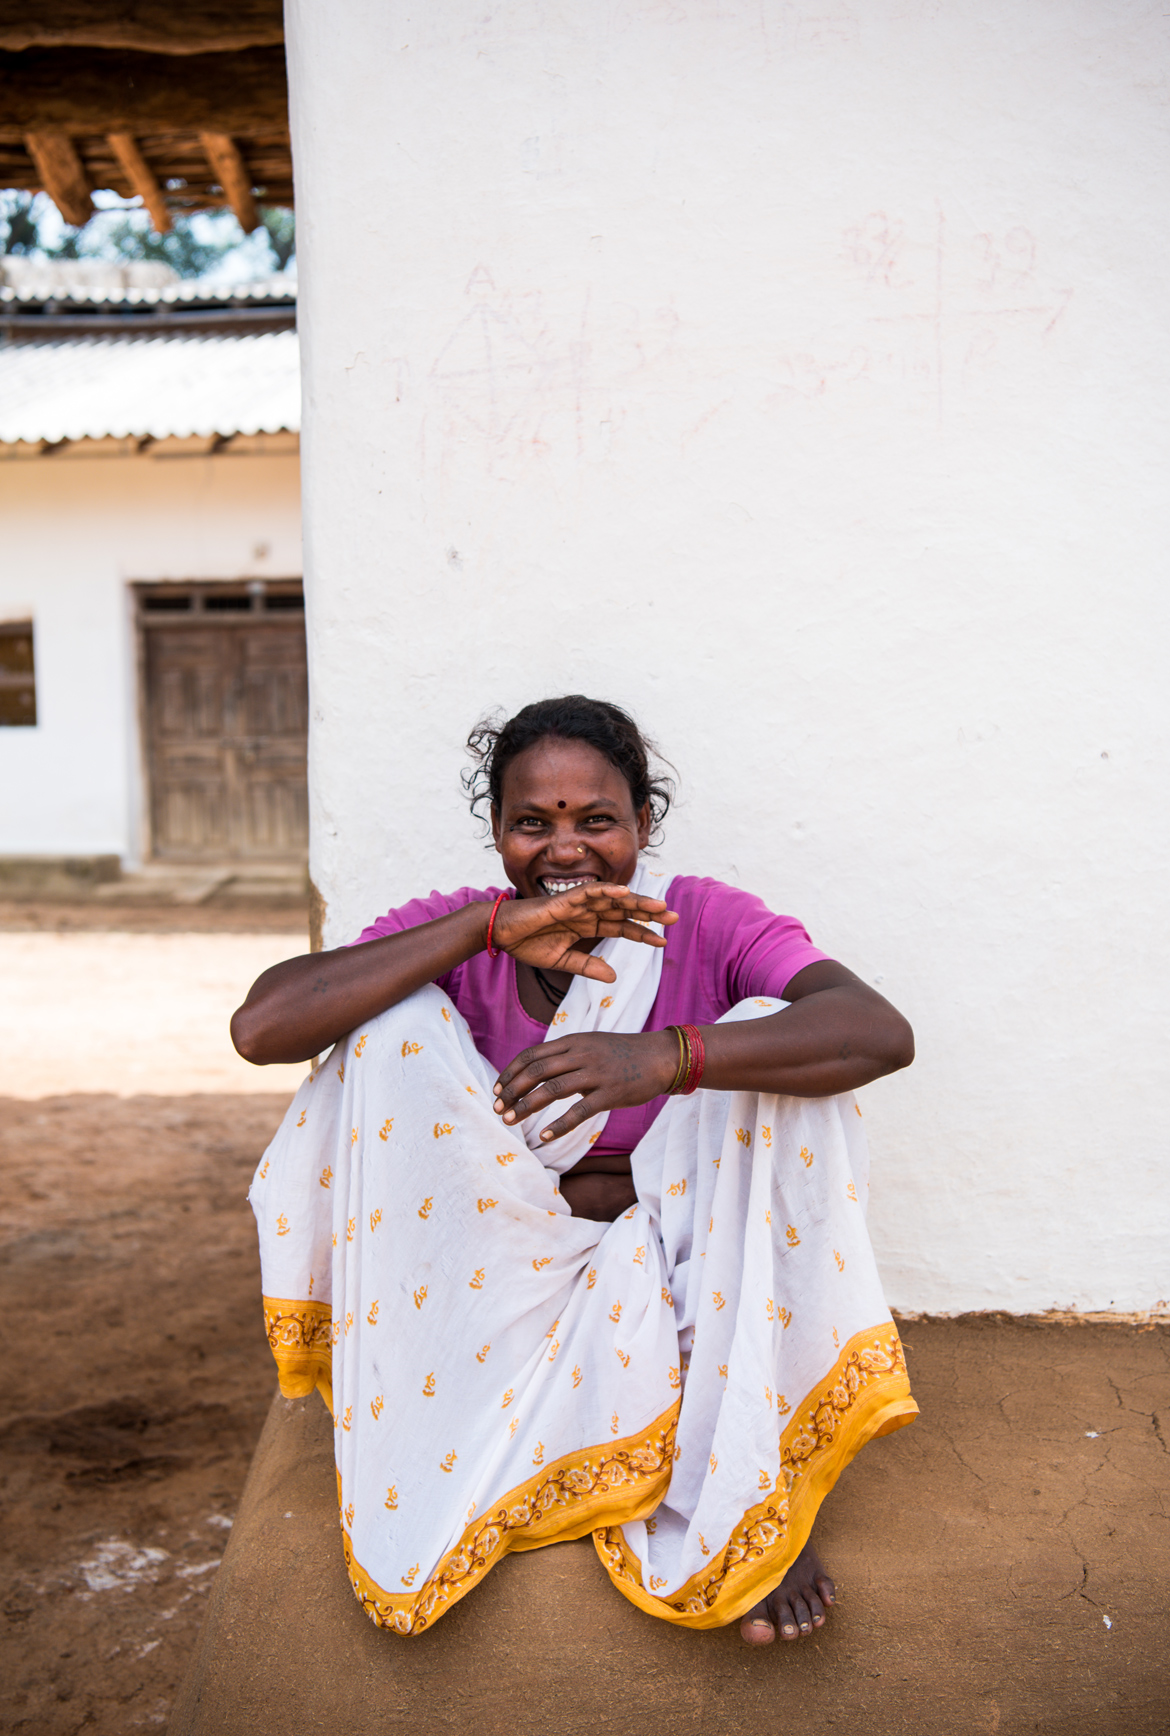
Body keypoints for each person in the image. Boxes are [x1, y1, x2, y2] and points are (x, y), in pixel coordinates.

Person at [231, 695, 917, 1642]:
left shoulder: (706, 925)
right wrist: (486, 930)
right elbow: (262, 1028)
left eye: (597, 820)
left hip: (682, 1279)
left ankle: (760, 1489)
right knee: (385, 1026)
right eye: (532, 823)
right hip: (499, 1280)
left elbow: (879, 1032)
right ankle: (558, 1448)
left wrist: (665, 1057)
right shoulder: (460, 935)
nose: (565, 850)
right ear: (498, 835)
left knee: (775, 1044)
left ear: (644, 824)